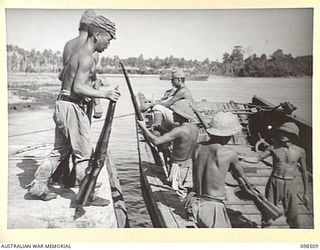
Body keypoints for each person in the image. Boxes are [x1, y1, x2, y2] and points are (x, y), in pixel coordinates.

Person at [26, 15, 120, 201]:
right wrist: (105, 94)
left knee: (60, 151)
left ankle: (38, 187)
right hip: (71, 107)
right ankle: (87, 196)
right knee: (84, 153)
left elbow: (65, 79)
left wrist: (95, 87)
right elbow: (78, 87)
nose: (109, 44)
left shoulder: (77, 53)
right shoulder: (86, 57)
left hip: (63, 104)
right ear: (96, 34)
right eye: (108, 39)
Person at [184, 111, 248, 228]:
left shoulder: (198, 147)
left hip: (193, 201)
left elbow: (207, 163)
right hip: (212, 206)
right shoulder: (229, 154)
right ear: (228, 135)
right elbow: (240, 176)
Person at [240, 122, 308, 228]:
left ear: (293, 135)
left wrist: (305, 192)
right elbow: (257, 159)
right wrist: (242, 158)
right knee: (268, 215)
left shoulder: (300, 151)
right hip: (274, 182)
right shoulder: (273, 148)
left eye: (285, 133)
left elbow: (304, 171)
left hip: (291, 184)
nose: (281, 135)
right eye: (281, 132)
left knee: (293, 216)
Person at [137, 99, 199, 192]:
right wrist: (162, 130)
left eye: (174, 113)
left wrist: (144, 128)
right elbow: (181, 138)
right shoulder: (194, 127)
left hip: (179, 167)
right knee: (187, 189)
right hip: (190, 164)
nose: (173, 115)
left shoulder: (179, 130)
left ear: (180, 115)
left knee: (179, 191)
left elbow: (156, 141)